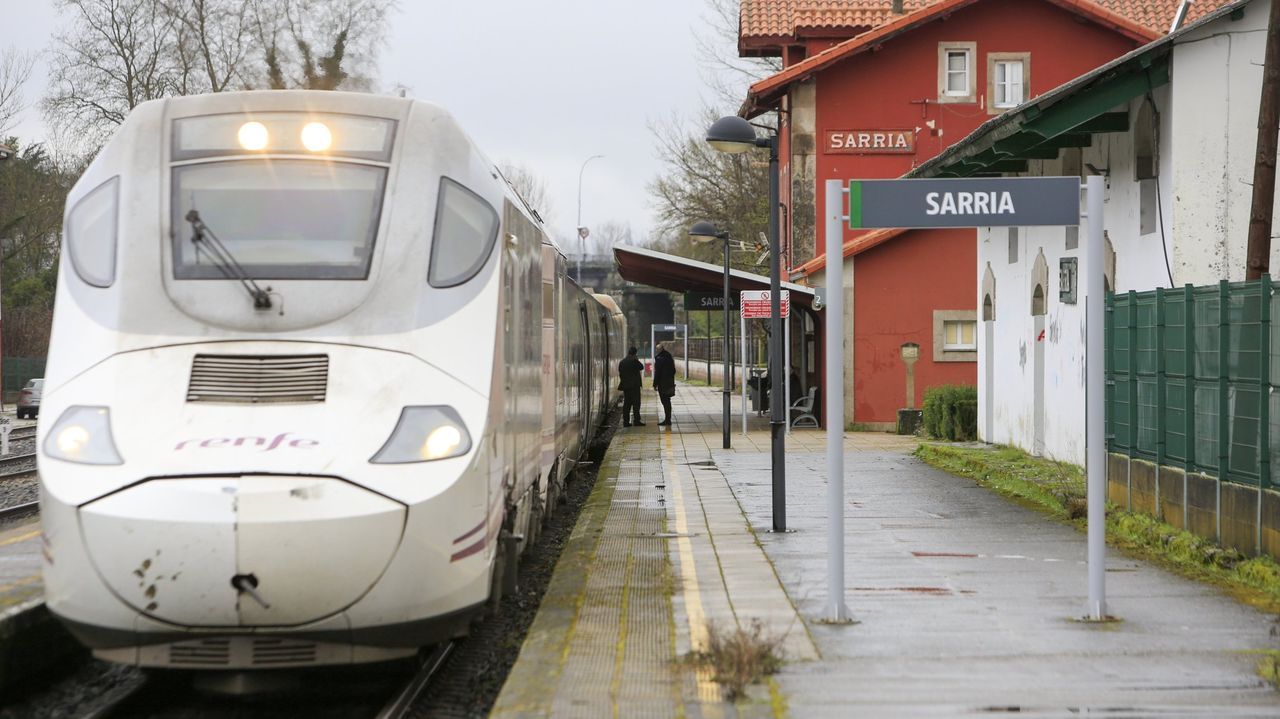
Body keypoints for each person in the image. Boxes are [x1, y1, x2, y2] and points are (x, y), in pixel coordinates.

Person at [618, 347, 645, 427]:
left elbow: (620, 372)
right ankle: (636, 421)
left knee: (627, 404)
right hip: (634, 386)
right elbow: (641, 367)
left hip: (626, 386)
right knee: (636, 404)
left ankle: (625, 422)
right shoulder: (634, 361)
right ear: (635, 353)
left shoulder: (622, 362)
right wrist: (636, 359)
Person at [652, 344, 676, 426]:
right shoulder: (669, 357)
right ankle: (668, 419)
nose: (656, 351)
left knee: (664, 401)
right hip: (669, 383)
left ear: (659, 350)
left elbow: (657, 372)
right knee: (667, 401)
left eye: (657, 349)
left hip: (663, 384)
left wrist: (655, 384)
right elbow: (674, 370)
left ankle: (667, 420)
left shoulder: (659, 358)